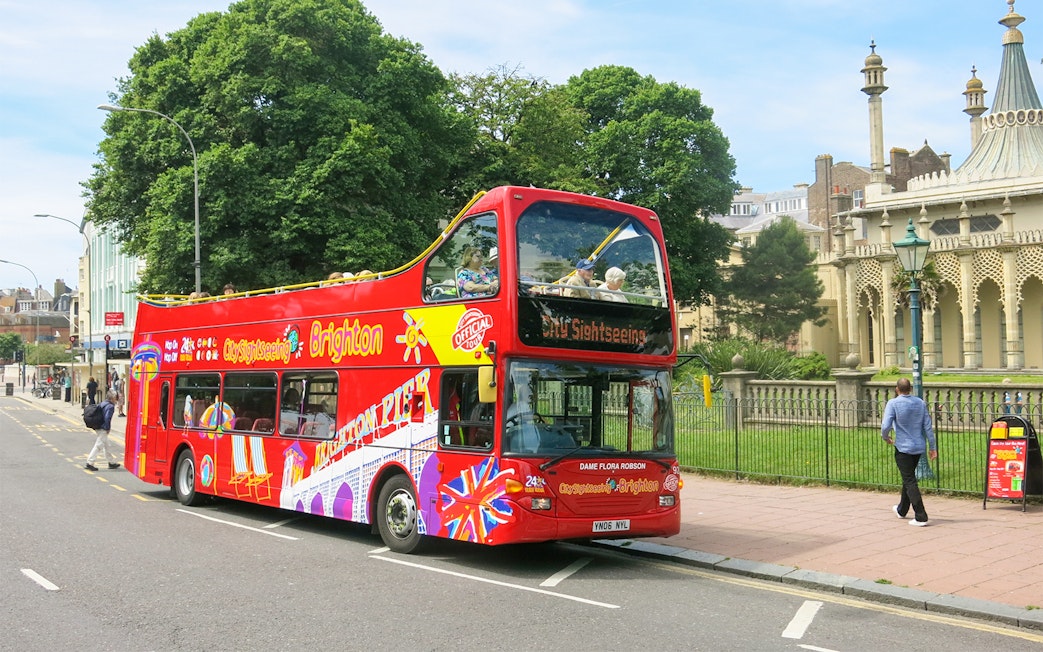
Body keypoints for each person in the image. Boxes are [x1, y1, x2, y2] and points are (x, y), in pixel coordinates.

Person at [880, 377, 938, 526]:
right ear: (910, 389)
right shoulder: (920, 403)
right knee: (909, 477)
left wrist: (885, 437)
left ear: (897, 389)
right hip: (918, 447)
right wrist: (932, 447)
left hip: (903, 448)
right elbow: (927, 427)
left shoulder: (893, 403)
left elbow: (886, 425)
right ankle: (901, 510)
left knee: (910, 480)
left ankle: (921, 515)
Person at [85, 389, 121, 471]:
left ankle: (111, 462)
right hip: (103, 428)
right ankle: (90, 463)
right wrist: (107, 428)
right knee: (99, 445)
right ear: (112, 398)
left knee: (106, 445)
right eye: (116, 397)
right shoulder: (110, 406)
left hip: (98, 426)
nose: (117, 399)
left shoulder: (104, 402)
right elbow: (107, 418)